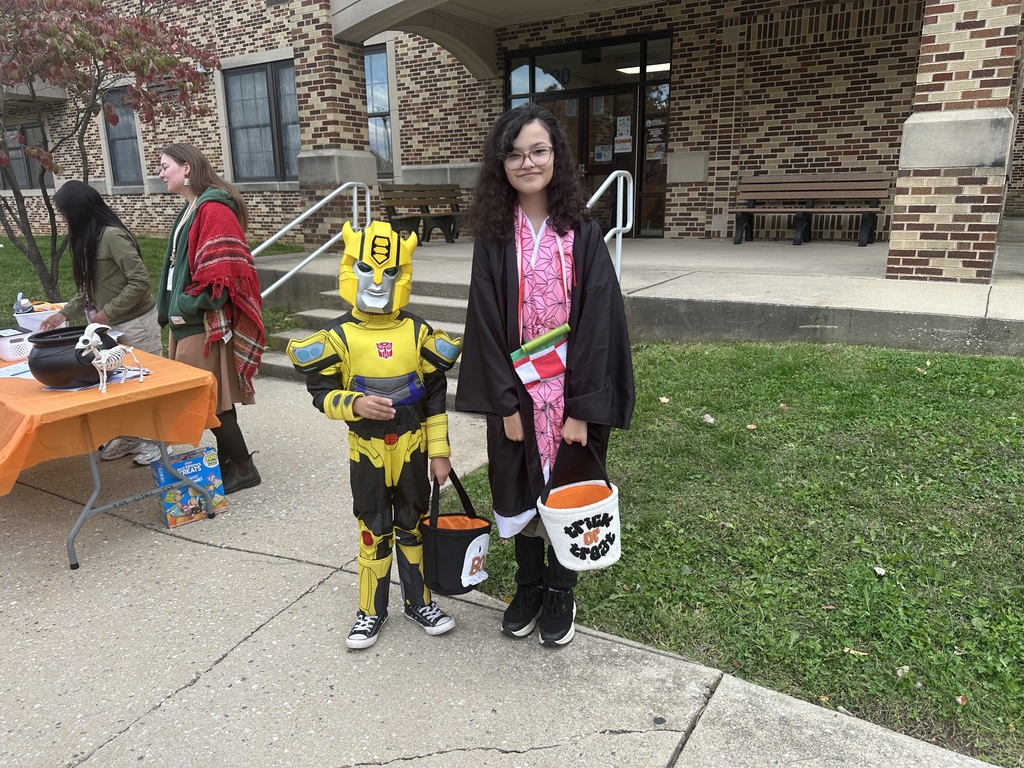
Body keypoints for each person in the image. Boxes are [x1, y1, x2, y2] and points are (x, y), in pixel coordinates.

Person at [455, 103, 635, 647]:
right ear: (500, 165)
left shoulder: (581, 232)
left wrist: (583, 407)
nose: (527, 162)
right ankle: (528, 585)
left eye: (538, 150)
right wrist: (505, 405)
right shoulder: (494, 237)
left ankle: (561, 589)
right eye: (514, 154)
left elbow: (600, 321)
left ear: (555, 156)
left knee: (568, 490)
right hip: (517, 390)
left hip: (569, 388)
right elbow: (485, 322)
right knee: (520, 491)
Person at [285, 220, 462, 650]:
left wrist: (439, 452)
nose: (379, 282)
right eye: (367, 268)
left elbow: (435, 393)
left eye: (391, 272)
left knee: (413, 526)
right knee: (373, 529)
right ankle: (370, 610)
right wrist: (354, 404)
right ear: (350, 267)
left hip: (413, 448)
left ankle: (419, 602)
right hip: (366, 451)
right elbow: (320, 391)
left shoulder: (417, 331)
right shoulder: (339, 337)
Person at [156, 143, 265, 494]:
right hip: (184, 322)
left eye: (165, 166)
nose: (161, 173)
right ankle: (230, 463)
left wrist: (185, 306)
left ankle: (244, 467)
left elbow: (223, 279)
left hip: (200, 323)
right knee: (210, 397)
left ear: (187, 168)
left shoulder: (214, 209)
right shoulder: (190, 209)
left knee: (209, 399)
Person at [41, 180, 165, 464]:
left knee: (145, 385)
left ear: (79, 211)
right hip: (111, 329)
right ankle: (131, 436)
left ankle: (158, 442)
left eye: (64, 213)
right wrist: (65, 312)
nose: (63, 219)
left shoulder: (113, 236)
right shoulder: (88, 239)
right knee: (119, 385)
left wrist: (109, 310)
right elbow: (89, 288)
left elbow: (140, 282)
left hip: (136, 323)